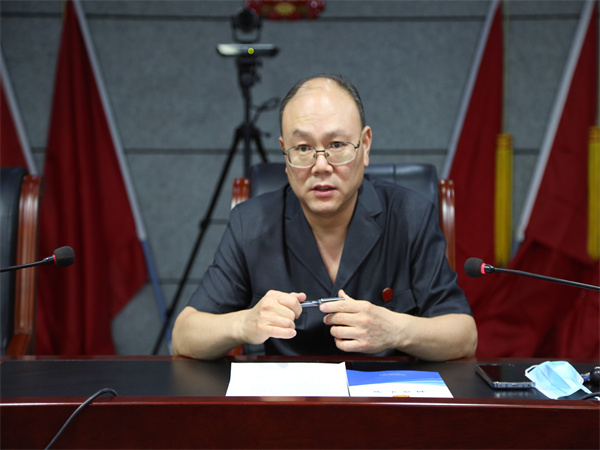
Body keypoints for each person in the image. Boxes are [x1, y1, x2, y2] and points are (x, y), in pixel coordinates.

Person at [172, 74, 477, 361]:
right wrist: (243, 323)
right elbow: (184, 336)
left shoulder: (410, 215)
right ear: (285, 154)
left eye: (336, 145)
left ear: (365, 146)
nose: (321, 166)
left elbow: (463, 334)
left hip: (386, 393)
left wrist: (396, 330)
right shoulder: (251, 223)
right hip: (288, 395)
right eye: (303, 148)